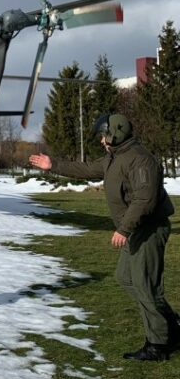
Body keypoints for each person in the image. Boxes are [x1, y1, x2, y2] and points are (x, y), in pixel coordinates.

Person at [29, 113, 178, 362]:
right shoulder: (114, 158)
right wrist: (53, 165)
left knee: (145, 285)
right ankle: (169, 323)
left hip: (148, 229)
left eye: (103, 135)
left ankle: (159, 344)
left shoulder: (140, 160)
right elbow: (86, 169)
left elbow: (145, 201)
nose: (101, 141)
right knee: (126, 277)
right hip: (137, 230)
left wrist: (123, 229)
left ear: (115, 133)